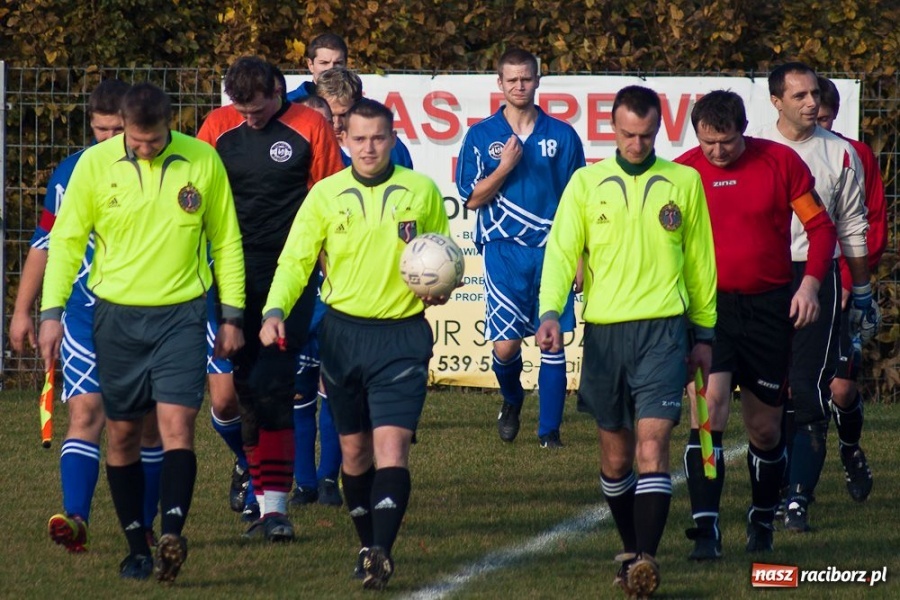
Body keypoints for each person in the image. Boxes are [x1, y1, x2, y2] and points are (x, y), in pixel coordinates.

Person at [38, 82, 245, 582]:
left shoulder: (202, 160)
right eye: (137, 140)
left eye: (155, 140)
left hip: (182, 316)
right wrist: (51, 312)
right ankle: (137, 545)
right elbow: (65, 243)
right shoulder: (94, 165)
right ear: (124, 126)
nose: (146, 148)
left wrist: (233, 315)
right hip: (116, 318)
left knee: (177, 426)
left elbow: (226, 239)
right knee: (123, 433)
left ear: (169, 124)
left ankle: (172, 530)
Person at [260, 98, 451, 590]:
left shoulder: (421, 191)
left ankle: (382, 550)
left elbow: (443, 253)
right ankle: (368, 544)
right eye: (359, 139)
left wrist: (441, 286)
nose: (369, 148)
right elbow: (296, 261)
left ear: (392, 140)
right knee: (354, 456)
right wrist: (275, 309)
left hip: (402, 336)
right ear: (344, 141)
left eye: (378, 138)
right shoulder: (325, 196)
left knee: (393, 447)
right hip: (343, 335)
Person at [536, 85, 716, 597]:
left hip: (664, 330)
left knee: (652, 445)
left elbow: (701, 262)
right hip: (606, 334)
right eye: (627, 134)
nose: (636, 144)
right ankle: (631, 546)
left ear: (659, 130)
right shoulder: (587, 183)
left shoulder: (683, 182)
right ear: (611, 129)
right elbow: (561, 251)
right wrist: (551, 311)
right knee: (616, 460)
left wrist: (704, 333)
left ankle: (647, 559)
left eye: (646, 135)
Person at [675, 91, 837, 558]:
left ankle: (762, 518)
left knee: (765, 429)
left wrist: (807, 286)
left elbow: (820, 229)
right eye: (708, 142)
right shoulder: (683, 173)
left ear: (743, 130)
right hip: (709, 311)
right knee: (708, 412)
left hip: (769, 307)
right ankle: (706, 531)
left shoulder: (781, 163)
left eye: (726, 142)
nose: (717, 152)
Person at [9, 79, 164, 555]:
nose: (107, 138)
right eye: (99, 129)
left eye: (116, 129)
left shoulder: (166, 166)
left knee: (149, 425)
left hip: (150, 314)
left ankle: (142, 524)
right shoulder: (72, 172)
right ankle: (75, 517)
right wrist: (23, 311)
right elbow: (45, 245)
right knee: (87, 411)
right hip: (85, 315)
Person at [196, 56, 344, 542]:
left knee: (275, 381)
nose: (250, 118)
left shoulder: (310, 126)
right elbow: (193, 199)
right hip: (231, 275)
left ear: (277, 91)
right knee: (243, 391)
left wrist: (328, 267)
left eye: (257, 109)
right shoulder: (216, 128)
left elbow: (327, 201)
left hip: (291, 276)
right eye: (241, 109)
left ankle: (276, 511)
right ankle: (261, 493)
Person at [755, 62, 875, 533]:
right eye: (800, 95)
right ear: (776, 101)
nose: (811, 103)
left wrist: (861, 289)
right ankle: (776, 486)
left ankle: (797, 498)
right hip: (760, 280)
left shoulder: (841, 154)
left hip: (816, 276)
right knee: (769, 390)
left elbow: (851, 226)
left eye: (814, 95)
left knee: (807, 387)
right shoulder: (756, 149)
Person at [456, 48, 585, 448]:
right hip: (503, 249)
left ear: (538, 79)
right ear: (499, 83)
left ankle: (549, 432)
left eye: (526, 78)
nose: (519, 85)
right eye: (511, 79)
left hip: (554, 251)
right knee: (506, 345)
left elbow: (578, 202)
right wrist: (505, 167)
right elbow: (472, 199)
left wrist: (580, 257)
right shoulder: (481, 136)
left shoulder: (562, 135)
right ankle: (511, 399)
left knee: (552, 338)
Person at [816, 75, 886, 503]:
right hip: (793, 287)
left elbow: (871, 225)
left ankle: (850, 451)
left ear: (834, 115)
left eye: (824, 117)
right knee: (792, 387)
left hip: (839, 286)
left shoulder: (855, 155)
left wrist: (847, 283)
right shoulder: (779, 155)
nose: (816, 124)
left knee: (841, 387)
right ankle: (788, 479)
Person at [289, 93, 344, 508]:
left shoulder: (350, 175)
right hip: (294, 293)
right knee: (298, 390)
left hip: (337, 295)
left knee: (334, 387)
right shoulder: (284, 175)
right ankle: (303, 482)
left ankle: (328, 479)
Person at [315, 66, 414, 169]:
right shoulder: (308, 145)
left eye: (344, 115)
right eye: (330, 115)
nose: (337, 124)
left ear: (359, 105)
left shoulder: (388, 147)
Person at [286, 32, 348, 102]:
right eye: (324, 62)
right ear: (310, 65)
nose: (331, 68)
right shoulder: (290, 103)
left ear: (345, 65)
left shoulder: (358, 105)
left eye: (338, 63)